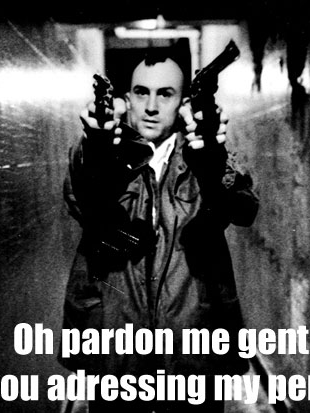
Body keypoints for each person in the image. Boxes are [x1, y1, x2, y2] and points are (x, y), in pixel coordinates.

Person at [59, 46, 259, 412]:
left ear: (182, 104)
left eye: (165, 94)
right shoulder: (104, 155)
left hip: (193, 345)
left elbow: (244, 209)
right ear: (126, 99)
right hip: (116, 349)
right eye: (141, 92)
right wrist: (95, 146)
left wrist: (213, 162)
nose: (151, 107)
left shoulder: (204, 156)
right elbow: (82, 194)